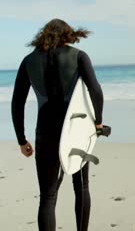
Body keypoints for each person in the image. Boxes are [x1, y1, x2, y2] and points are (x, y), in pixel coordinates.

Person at [11, 18, 104, 231]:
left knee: (48, 196)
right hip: (76, 129)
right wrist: (98, 123)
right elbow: (96, 92)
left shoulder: (28, 61)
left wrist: (21, 139)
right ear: (68, 34)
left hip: (45, 131)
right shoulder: (79, 56)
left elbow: (17, 101)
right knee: (81, 187)